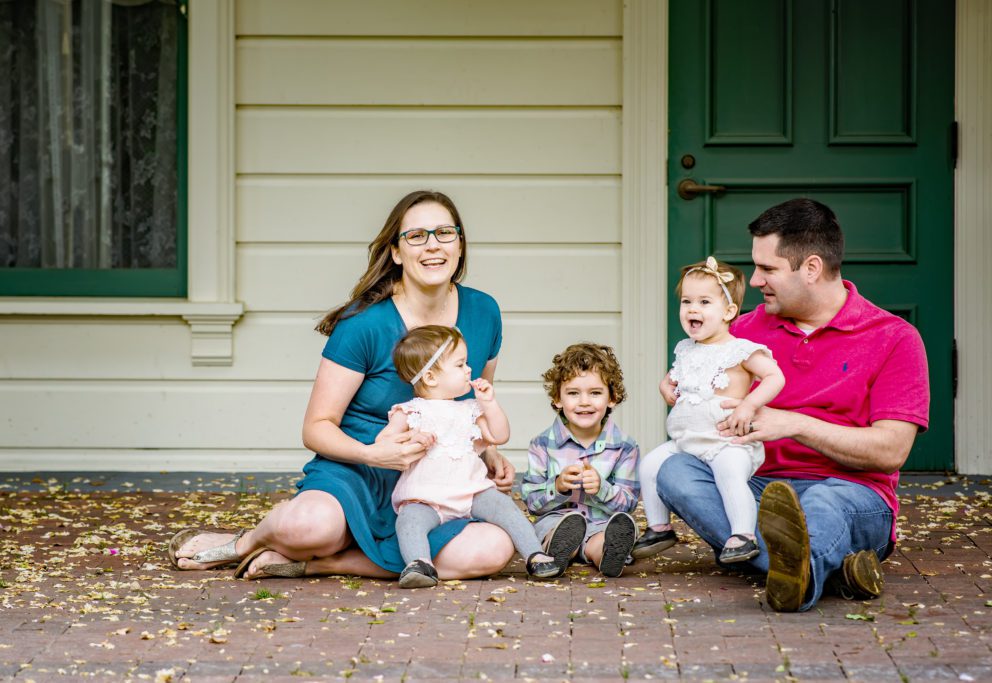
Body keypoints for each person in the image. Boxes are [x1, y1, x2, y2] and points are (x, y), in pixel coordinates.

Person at [168, 190, 518, 581]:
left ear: (460, 244)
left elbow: (474, 399)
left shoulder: (484, 311)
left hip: (438, 484)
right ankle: (246, 542)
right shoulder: (364, 323)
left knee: (494, 549)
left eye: (444, 233)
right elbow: (316, 427)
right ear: (396, 252)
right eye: (416, 236)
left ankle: (321, 564)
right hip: (360, 471)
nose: (432, 245)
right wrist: (374, 455)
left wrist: (488, 454)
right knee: (308, 527)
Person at [653, 198, 929, 612]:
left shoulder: (893, 337)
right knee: (674, 469)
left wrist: (794, 424)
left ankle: (791, 572)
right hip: (756, 485)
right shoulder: (740, 334)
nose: (756, 279)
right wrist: (677, 388)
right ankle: (826, 571)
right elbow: (698, 404)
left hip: (849, 492)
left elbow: (891, 451)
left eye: (768, 269)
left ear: (812, 268)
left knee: (822, 507)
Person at [385, 325, 562, 587]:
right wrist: (411, 437)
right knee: (410, 519)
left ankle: (535, 555)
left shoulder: (470, 409)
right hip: (426, 495)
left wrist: (489, 403)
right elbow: (383, 442)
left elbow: (499, 435)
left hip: (471, 491)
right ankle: (419, 564)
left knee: (504, 507)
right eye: (460, 365)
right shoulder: (411, 412)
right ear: (431, 377)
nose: (469, 369)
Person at [634, 257, 784, 564]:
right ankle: (659, 527)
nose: (692, 309)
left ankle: (743, 535)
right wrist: (665, 386)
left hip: (726, 442)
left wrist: (749, 404)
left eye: (704, 302)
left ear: (728, 312)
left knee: (730, 475)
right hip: (687, 440)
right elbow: (673, 376)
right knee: (649, 464)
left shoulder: (739, 350)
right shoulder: (686, 348)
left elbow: (775, 376)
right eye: (686, 301)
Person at [521, 343, 640, 578]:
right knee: (551, 529)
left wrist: (602, 489)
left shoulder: (625, 447)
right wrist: (558, 487)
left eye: (595, 393)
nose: (584, 401)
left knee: (613, 532)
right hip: (556, 521)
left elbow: (628, 503)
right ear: (558, 399)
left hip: (603, 521)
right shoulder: (542, 444)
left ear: (612, 398)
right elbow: (533, 504)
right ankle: (561, 549)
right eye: (573, 393)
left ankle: (605, 554)